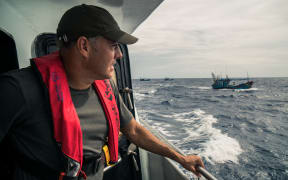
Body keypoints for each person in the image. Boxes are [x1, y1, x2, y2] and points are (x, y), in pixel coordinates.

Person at [0, 4, 204, 180]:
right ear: (84, 46)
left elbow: (133, 130)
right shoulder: (15, 90)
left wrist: (180, 158)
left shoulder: (106, 88)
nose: (119, 55)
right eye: (114, 46)